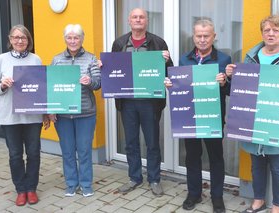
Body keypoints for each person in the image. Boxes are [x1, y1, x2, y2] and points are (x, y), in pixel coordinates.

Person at [225, 15, 279, 213]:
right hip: (254, 117)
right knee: (257, 164)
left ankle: (277, 207)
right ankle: (258, 200)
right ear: (262, 33)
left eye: (275, 30)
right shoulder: (251, 55)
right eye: (267, 30)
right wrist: (232, 77)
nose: (271, 34)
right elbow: (243, 87)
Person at [165, 19, 230, 212]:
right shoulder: (185, 59)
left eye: (206, 36)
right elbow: (182, 87)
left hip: (213, 118)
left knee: (216, 158)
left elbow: (232, 90)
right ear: (193, 36)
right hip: (190, 118)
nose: (202, 40)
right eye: (198, 36)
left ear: (213, 37)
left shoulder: (224, 59)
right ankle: (194, 193)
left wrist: (224, 82)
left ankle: (217, 197)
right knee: (192, 157)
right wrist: (171, 86)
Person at [111, 8, 173, 196]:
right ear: (129, 21)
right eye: (134, 17)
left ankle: (154, 179)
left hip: (150, 101)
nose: (138, 20)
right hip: (127, 101)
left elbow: (169, 72)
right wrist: (103, 67)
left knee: (152, 142)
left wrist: (166, 61)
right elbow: (114, 70)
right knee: (131, 142)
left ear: (146, 21)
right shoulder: (119, 43)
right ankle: (134, 178)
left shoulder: (158, 42)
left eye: (141, 17)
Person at [0, 25, 49, 206]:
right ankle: (20, 190)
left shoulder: (36, 59)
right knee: (15, 155)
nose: (19, 41)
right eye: (16, 37)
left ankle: (31, 188)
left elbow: (42, 88)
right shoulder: (1, 59)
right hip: (10, 117)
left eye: (23, 37)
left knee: (33, 153)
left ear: (28, 40)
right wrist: (3, 85)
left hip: (32, 117)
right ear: (10, 40)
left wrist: (45, 113)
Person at [49, 24, 101, 197]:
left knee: (84, 150)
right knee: (68, 150)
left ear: (82, 39)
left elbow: (98, 83)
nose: (73, 41)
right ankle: (71, 183)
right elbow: (51, 87)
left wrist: (89, 81)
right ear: (65, 39)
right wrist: (51, 110)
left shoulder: (91, 59)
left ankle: (86, 184)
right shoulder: (57, 60)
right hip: (63, 114)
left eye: (76, 37)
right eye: (69, 37)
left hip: (85, 113)